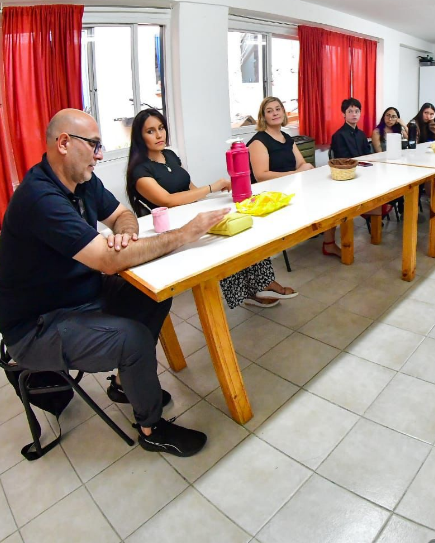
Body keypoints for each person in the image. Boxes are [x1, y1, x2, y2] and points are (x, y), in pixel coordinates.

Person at [0, 109, 230, 457]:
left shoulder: (84, 182)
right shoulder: (40, 198)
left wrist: (124, 235)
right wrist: (185, 234)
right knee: (132, 338)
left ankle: (124, 383)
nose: (99, 154)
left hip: (81, 295)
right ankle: (151, 429)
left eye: (100, 144)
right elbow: (107, 261)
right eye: (93, 145)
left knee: (155, 293)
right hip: (37, 326)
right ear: (63, 143)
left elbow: (123, 214)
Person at [126, 108, 296, 309]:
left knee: (241, 222)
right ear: (139, 136)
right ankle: (246, 293)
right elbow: (168, 200)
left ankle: (260, 283)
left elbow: (191, 190)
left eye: (161, 128)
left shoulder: (170, 156)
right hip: (173, 228)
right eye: (151, 131)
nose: (159, 135)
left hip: (192, 214)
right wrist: (211, 187)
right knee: (224, 238)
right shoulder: (140, 170)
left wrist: (219, 195)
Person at [247, 97, 326, 255]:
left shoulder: (287, 138)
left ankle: (327, 239)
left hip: (290, 186)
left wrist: (303, 169)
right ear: (263, 117)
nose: (275, 113)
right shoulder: (258, 142)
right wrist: (295, 173)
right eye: (269, 111)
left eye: (278, 109)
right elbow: (261, 176)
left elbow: (302, 164)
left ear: (283, 112)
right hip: (270, 194)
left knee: (325, 192)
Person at [326, 97, 390, 245]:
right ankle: (371, 211)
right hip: (348, 175)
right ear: (343, 114)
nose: (354, 114)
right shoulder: (338, 135)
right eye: (350, 111)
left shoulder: (361, 134)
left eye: (357, 111)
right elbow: (343, 160)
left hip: (363, 172)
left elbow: (367, 156)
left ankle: (375, 209)